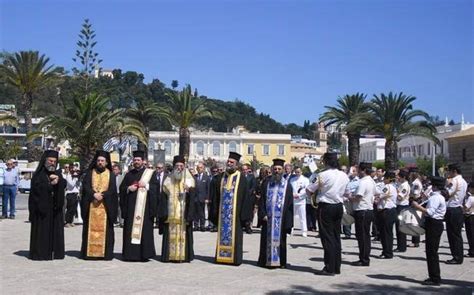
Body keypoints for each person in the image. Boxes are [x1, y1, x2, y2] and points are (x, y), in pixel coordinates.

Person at [306, 153, 349, 275]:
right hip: (338, 206)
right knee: (336, 236)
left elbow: (309, 190)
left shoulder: (322, 175)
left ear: (326, 162)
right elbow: (347, 193)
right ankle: (336, 266)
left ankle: (329, 267)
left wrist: (315, 196)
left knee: (327, 237)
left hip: (326, 207)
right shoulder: (344, 175)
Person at [209, 152, 252, 266]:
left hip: (236, 216)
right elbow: (215, 197)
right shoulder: (220, 177)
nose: (229, 163)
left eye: (232, 162)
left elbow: (246, 198)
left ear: (236, 164)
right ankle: (221, 257)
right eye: (228, 161)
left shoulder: (241, 178)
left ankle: (235, 259)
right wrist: (214, 212)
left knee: (236, 238)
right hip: (223, 215)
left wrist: (244, 216)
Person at [28, 150, 66, 260]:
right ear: (45, 161)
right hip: (42, 210)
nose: (52, 163)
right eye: (50, 161)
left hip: (55, 210)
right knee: (42, 234)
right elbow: (37, 190)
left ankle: (56, 253)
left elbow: (63, 185)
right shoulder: (39, 175)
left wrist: (58, 182)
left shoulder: (58, 173)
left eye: (54, 161)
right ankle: (42, 253)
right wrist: (50, 185)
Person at [80, 150, 118, 260]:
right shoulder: (90, 173)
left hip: (105, 208)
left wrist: (103, 195)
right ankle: (89, 253)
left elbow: (112, 190)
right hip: (91, 206)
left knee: (106, 231)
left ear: (106, 163)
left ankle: (105, 254)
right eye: (98, 160)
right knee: (89, 230)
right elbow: (85, 186)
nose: (100, 162)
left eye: (102, 161)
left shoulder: (110, 174)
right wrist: (93, 194)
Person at [157, 155, 195, 262]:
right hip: (170, 215)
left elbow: (194, 197)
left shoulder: (189, 178)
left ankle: (184, 256)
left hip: (184, 215)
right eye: (177, 165)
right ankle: (169, 256)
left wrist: (189, 191)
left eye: (181, 166)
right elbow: (163, 198)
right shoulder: (168, 179)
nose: (179, 168)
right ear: (174, 166)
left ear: (184, 166)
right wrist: (163, 214)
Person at [119, 150, 156, 262]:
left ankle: (144, 254)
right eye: (135, 160)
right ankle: (130, 255)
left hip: (144, 209)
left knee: (144, 232)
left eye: (138, 160)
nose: (136, 162)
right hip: (131, 210)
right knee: (130, 232)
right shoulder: (129, 174)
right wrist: (128, 189)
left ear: (143, 161)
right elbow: (121, 189)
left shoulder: (150, 173)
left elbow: (156, 189)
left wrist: (147, 185)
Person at [257, 158, 293, 268]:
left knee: (281, 241)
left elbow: (290, 205)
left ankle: (281, 262)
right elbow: (262, 200)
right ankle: (264, 261)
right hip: (267, 218)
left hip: (280, 220)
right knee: (265, 240)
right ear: (272, 169)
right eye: (275, 169)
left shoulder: (287, 185)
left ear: (282, 170)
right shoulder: (266, 183)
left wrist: (288, 222)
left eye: (279, 169)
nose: (277, 171)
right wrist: (262, 214)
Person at [411, 176, 447, 286]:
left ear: (434, 186)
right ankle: (433, 276)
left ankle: (435, 278)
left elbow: (430, 212)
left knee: (432, 252)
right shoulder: (436, 196)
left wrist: (417, 206)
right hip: (434, 224)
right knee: (431, 251)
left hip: (434, 224)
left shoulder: (436, 197)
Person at [349, 162, 376, 266]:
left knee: (362, 236)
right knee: (365, 236)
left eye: (359, 170)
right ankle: (364, 257)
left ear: (363, 170)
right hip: (367, 209)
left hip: (362, 210)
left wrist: (349, 197)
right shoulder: (371, 181)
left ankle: (364, 259)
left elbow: (358, 197)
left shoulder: (363, 182)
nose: (358, 172)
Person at [445, 163, 468, 264]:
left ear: (454, 171)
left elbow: (448, 193)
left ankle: (456, 257)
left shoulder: (455, 180)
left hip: (453, 208)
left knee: (453, 234)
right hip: (458, 208)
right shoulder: (463, 181)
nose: (448, 173)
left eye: (449, 171)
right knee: (457, 234)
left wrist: (445, 185)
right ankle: (458, 256)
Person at [376, 171, 397, 259]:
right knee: (387, 233)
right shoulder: (393, 187)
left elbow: (380, 195)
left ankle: (387, 252)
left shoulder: (387, 187)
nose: (384, 180)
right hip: (389, 211)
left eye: (385, 178)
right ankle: (386, 251)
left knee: (386, 233)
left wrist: (377, 197)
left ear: (388, 179)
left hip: (386, 211)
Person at [394, 169, 410, 253]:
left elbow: (400, 197)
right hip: (399, 206)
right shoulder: (400, 184)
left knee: (401, 227)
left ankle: (402, 247)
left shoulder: (405, 186)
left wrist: (395, 191)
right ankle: (399, 245)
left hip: (402, 207)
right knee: (398, 227)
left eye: (399, 176)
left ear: (403, 177)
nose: (397, 178)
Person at [290, 167, 309, 237]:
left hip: (301, 201)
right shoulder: (292, 180)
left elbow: (306, 189)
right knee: (291, 216)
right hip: (293, 200)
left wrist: (299, 195)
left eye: (298, 172)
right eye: (296, 172)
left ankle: (304, 231)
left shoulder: (305, 180)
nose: (297, 173)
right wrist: (292, 195)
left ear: (301, 172)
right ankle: (290, 230)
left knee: (302, 217)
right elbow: (290, 189)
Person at [408, 168, 423, 248]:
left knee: (415, 222)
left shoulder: (416, 183)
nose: (409, 175)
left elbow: (416, 194)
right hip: (414, 202)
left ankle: (415, 241)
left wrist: (409, 196)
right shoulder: (415, 182)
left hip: (415, 202)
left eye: (410, 173)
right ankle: (415, 240)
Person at [193, 162, 210, 231]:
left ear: (203, 168)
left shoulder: (206, 177)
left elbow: (208, 189)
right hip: (195, 198)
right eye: (198, 168)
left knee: (202, 213)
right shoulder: (194, 177)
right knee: (195, 213)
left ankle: (202, 225)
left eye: (201, 168)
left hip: (202, 198)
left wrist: (207, 198)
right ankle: (196, 225)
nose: (199, 169)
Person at [64, 164, 80, 228]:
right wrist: (75, 179)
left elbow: (78, 185)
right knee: (69, 209)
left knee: (73, 209)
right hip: (70, 194)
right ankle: (67, 221)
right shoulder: (68, 176)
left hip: (75, 194)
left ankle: (71, 221)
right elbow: (71, 185)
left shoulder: (75, 176)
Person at [242, 163, 257, 234]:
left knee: (249, 213)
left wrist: (248, 193)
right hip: (242, 198)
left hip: (249, 198)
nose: (244, 171)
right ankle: (243, 226)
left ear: (248, 169)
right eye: (243, 170)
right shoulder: (240, 176)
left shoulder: (251, 177)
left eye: (245, 169)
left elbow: (253, 187)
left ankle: (248, 227)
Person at [463, 182, 474, 257]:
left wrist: (461, 205)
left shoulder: (470, 198)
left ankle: (472, 251)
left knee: (470, 235)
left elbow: (466, 208)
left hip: (469, 217)